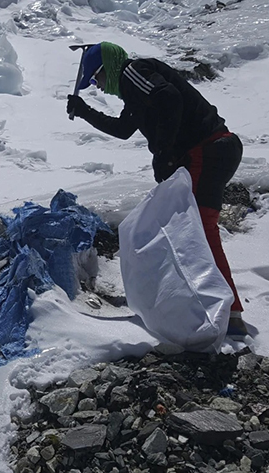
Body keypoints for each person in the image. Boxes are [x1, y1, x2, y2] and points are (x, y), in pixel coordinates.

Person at [66, 41, 249, 338]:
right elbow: (124, 129)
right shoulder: (134, 91)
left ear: (107, 68)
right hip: (212, 150)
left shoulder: (132, 72)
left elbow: (169, 97)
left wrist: (163, 152)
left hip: (208, 149)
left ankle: (229, 312)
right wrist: (84, 111)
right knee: (190, 229)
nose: (97, 86)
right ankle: (212, 305)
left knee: (201, 229)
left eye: (95, 78)